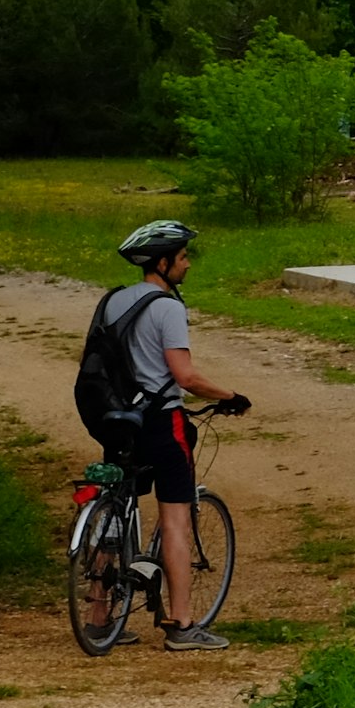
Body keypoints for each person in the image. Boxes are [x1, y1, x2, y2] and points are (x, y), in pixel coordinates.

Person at [95, 221, 247, 648]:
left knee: (115, 506)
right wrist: (231, 395)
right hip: (163, 421)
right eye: (182, 257)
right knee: (176, 520)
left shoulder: (114, 303)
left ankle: (98, 617)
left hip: (121, 421)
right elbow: (186, 377)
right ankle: (181, 625)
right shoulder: (167, 307)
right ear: (162, 263)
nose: (187, 264)